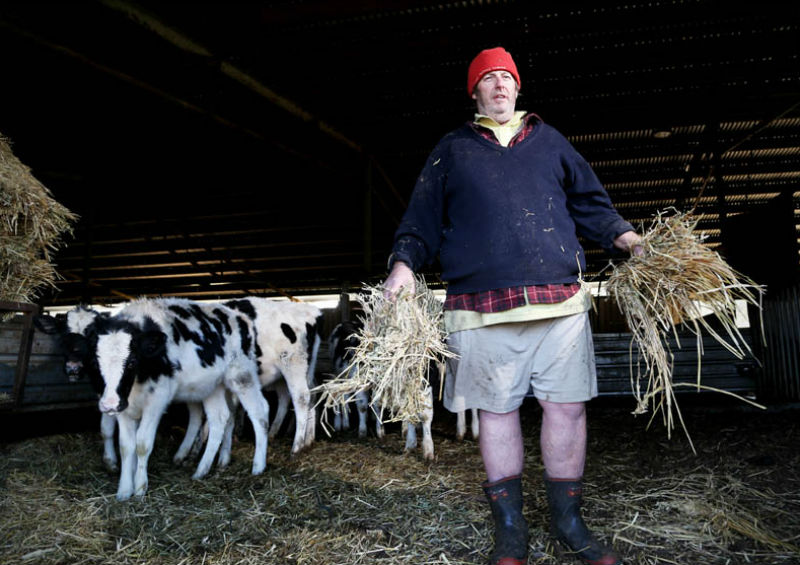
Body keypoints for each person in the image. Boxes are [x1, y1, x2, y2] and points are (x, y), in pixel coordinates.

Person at [383, 46, 641, 565]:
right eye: (489, 79)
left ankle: (569, 520)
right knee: (496, 414)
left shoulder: (550, 142)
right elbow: (422, 218)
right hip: (480, 308)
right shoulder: (452, 149)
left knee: (566, 409)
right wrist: (404, 264)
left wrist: (627, 238)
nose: (500, 85)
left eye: (507, 77)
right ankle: (511, 528)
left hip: (559, 303)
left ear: (518, 88)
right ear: (474, 91)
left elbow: (591, 204)